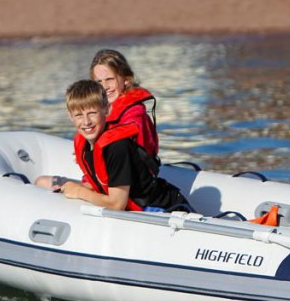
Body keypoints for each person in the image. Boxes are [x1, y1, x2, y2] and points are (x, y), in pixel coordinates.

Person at [34, 80, 187, 212]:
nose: (86, 122)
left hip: (165, 209)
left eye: (92, 113)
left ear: (107, 110)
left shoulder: (117, 147)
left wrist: (79, 191)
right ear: (70, 117)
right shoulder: (87, 145)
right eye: (79, 115)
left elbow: (117, 204)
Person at [89, 48, 159, 159]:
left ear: (126, 79)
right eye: (99, 82)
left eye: (110, 79)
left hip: (134, 171)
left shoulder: (134, 112)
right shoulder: (101, 108)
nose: (105, 87)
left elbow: (131, 128)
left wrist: (96, 143)